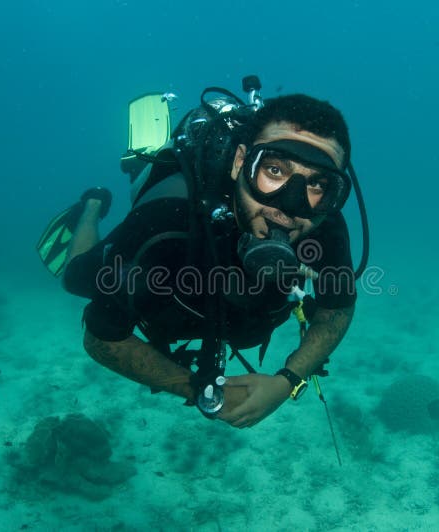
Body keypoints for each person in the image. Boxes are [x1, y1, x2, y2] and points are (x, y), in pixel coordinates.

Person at [58, 94, 357, 428]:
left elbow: (337, 309)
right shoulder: (165, 225)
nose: (289, 207)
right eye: (274, 169)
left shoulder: (324, 225)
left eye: (317, 183)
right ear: (239, 162)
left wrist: (287, 380)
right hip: (164, 214)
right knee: (73, 277)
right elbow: (101, 337)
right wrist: (197, 388)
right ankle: (95, 203)